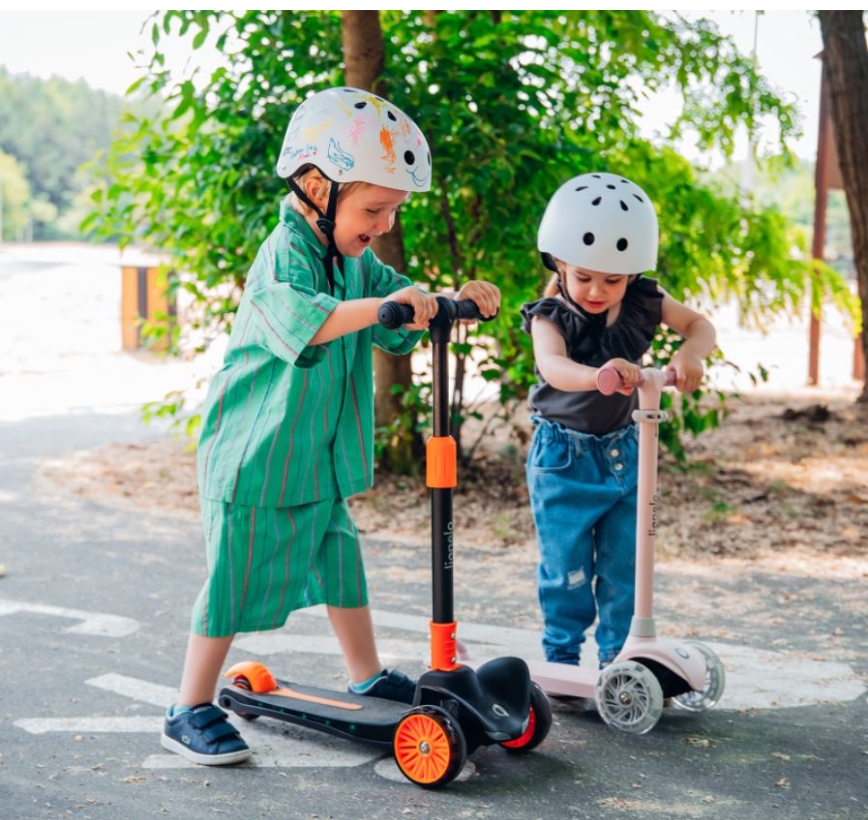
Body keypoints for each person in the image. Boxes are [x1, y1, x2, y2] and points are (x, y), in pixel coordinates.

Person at [161, 86, 500, 765]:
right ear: (318, 185)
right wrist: (384, 306)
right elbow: (309, 319)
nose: (382, 222)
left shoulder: (353, 257)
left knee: (340, 564)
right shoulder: (283, 255)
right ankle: (188, 707)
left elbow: (395, 316)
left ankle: (366, 674)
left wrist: (446, 303)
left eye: (393, 210)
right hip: (256, 456)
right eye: (374, 208)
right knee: (233, 578)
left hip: (312, 455)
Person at [521, 171, 716, 669]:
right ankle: (561, 659)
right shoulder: (550, 315)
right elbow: (554, 368)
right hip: (563, 457)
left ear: (631, 273)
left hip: (625, 450)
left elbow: (699, 324)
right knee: (565, 567)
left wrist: (692, 354)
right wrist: (600, 375)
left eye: (612, 279)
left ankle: (618, 660)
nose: (596, 290)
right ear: (559, 262)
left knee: (626, 565)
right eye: (584, 276)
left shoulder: (643, 301)